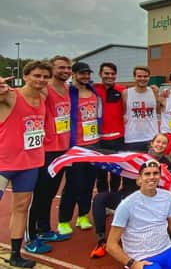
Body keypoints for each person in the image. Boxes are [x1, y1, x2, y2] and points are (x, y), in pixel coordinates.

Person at [90, 133, 171, 259]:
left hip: (148, 201)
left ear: (166, 146)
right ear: (152, 143)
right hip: (126, 197)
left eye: (163, 143)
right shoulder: (136, 156)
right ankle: (101, 240)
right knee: (99, 198)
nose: (160, 145)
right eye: (158, 142)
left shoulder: (166, 163)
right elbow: (112, 155)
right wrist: (89, 151)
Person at [0, 61, 51, 268]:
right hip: (3, 162)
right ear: (26, 76)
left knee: (21, 208)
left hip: (30, 163)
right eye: (37, 76)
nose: (41, 80)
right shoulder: (10, 95)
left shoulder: (44, 96)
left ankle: (15, 254)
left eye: (45, 77)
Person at [26, 56, 72, 254]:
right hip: (45, 149)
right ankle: (30, 237)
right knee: (40, 194)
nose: (66, 70)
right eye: (61, 67)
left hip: (62, 148)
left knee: (51, 193)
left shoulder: (67, 89)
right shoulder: (45, 90)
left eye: (68, 67)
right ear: (53, 69)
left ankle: (44, 229)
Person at [57, 62, 102, 236]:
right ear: (73, 74)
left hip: (93, 145)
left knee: (89, 184)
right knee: (73, 184)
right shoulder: (69, 92)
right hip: (75, 145)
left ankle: (83, 215)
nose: (85, 77)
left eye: (87, 74)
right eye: (82, 74)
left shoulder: (93, 91)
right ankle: (63, 220)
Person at [94, 62, 126, 194]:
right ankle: (103, 199)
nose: (110, 76)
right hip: (99, 139)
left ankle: (113, 200)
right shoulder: (93, 89)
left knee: (116, 173)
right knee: (100, 174)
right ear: (100, 74)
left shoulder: (122, 90)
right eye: (106, 73)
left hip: (118, 138)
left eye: (112, 74)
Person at [122, 66, 159, 152]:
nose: (142, 79)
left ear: (149, 77)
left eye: (145, 76)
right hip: (132, 138)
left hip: (152, 137)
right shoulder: (126, 93)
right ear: (134, 77)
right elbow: (124, 111)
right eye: (139, 76)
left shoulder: (154, 91)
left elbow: (158, 111)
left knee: (151, 164)